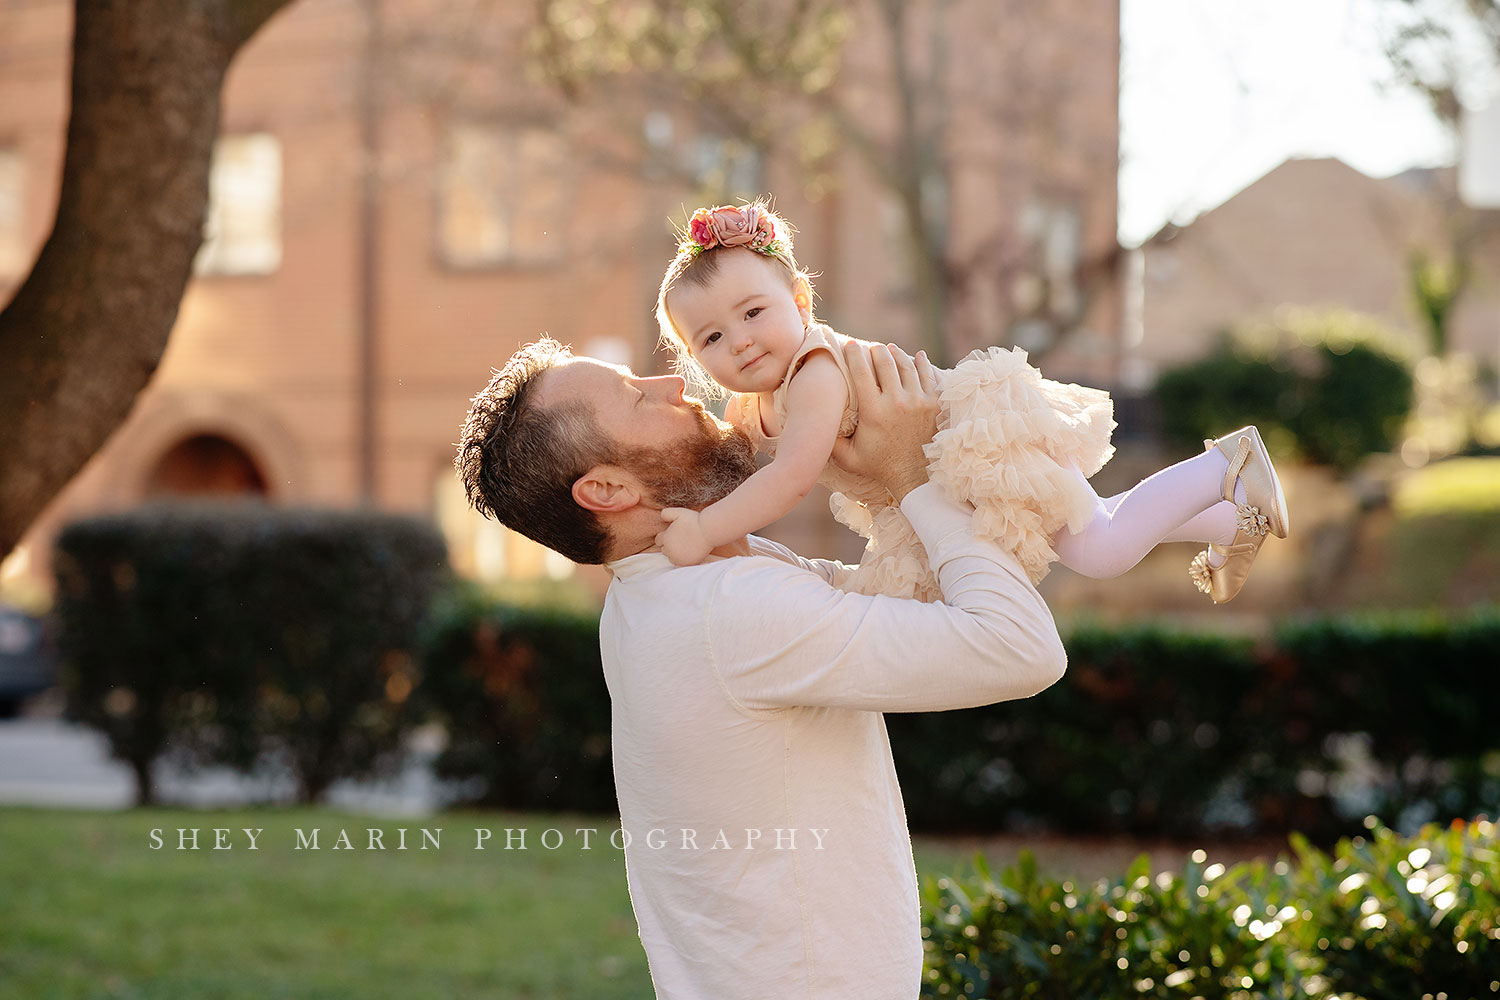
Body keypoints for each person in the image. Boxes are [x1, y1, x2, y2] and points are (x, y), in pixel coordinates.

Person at [455, 335, 1068, 999]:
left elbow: (899, 597)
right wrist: (911, 479)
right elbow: (1020, 647)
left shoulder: (662, 593)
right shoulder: (729, 609)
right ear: (607, 489)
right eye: (638, 397)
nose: (672, 384)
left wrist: (885, 473)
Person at [653, 201, 1290, 604]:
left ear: (799, 303)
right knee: (1088, 523)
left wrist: (708, 529)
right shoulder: (755, 403)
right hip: (951, 475)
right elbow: (736, 460)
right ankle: (1235, 518)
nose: (739, 342)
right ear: (692, 359)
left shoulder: (814, 373)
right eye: (711, 337)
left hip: (979, 441)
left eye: (753, 313)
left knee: (1097, 548)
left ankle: (1224, 465)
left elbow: (791, 478)